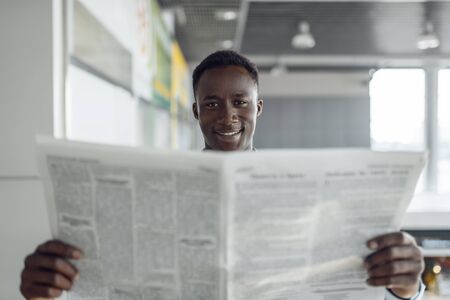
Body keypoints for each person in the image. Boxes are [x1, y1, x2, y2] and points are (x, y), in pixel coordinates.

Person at [20, 50, 425, 300]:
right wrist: (46, 293)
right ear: (196, 112)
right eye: (211, 103)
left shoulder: (308, 195)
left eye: (239, 102)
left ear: (259, 108)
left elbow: (370, 285)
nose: (227, 115)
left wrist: (407, 286)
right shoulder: (153, 190)